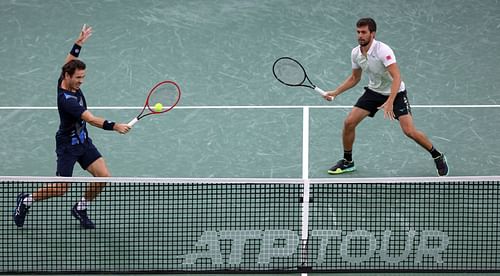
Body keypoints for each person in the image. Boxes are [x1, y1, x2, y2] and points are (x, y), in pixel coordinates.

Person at [13, 25, 131, 229]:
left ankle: (81, 207)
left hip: (83, 141)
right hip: (68, 145)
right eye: (78, 78)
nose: (81, 82)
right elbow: (92, 119)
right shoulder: (67, 100)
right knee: (60, 188)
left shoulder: (64, 76)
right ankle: (26, 201)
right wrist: (115, 126)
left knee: (103, 177)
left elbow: (68, 61)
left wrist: (79, 43)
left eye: (83, 77)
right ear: (68, 77)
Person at [323, 18, 448, 176]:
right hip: (374, 92)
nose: (360, 35)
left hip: (396, 93)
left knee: (409, 131)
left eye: (364, 32)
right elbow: (355, 78)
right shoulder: (355, 53)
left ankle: (437, 155)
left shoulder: (383, 50)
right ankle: (348, 161)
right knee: (349, 122)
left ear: (372, 34)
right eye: (358, 32)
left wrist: (390, 102)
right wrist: (335, 92)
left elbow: (397, 77)